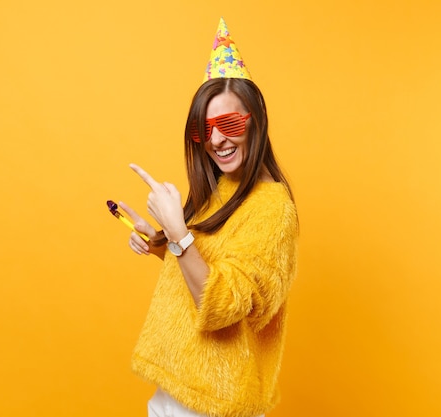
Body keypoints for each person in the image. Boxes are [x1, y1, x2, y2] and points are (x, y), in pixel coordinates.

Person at [118, 18, 299, 417]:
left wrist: (180, 233)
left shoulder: (274, 209)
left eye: (229, 124)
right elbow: (213, 268)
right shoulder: (221, 190)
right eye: (204, 129)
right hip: (177, 389)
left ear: (258, 121)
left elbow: (221, 304)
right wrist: (162, 244)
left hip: (217, 404)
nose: (215, 140)